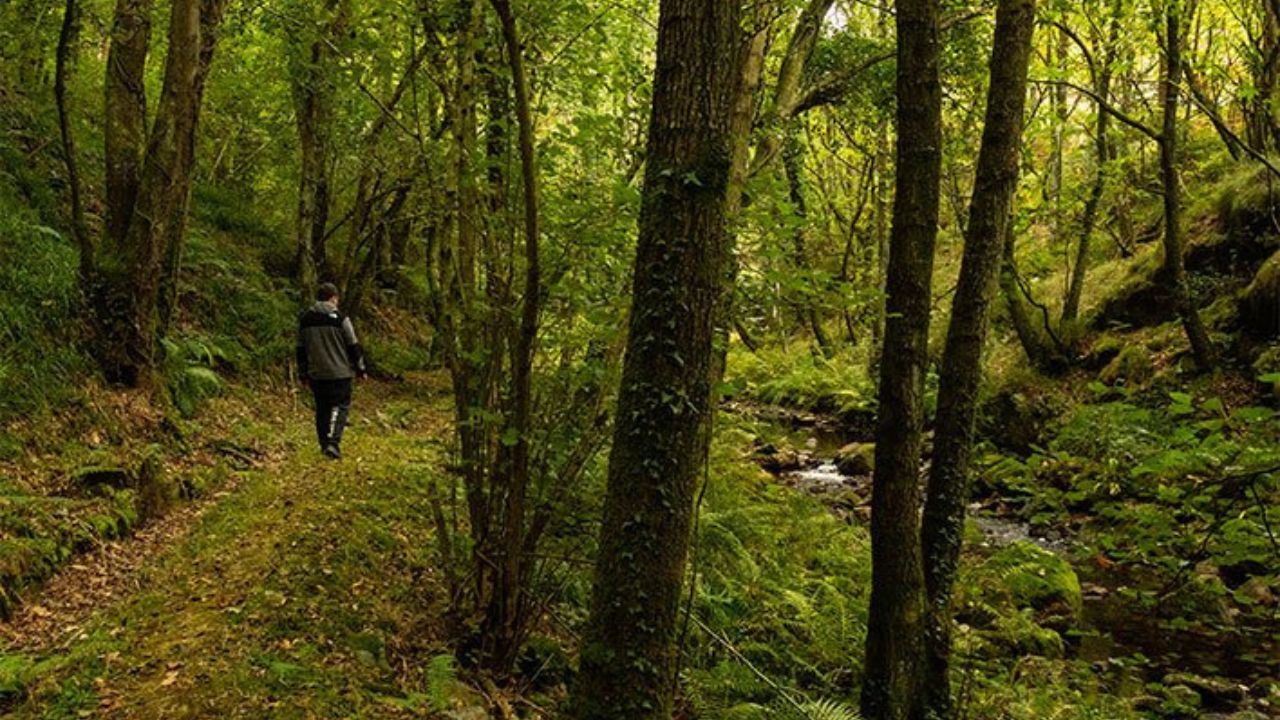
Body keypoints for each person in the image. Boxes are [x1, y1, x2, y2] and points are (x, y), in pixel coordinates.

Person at [296, 282, 366, 459]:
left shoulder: (305, 319)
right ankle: (333, 443)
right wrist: (360, 369)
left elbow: (300, 349)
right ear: (333, 298)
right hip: (340, 372)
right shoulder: (341, 319)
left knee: (322, 409)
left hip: (317, 373)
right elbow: (353, 345)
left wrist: (302, 373)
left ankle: (323, 444)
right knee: (340, 406)